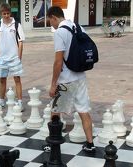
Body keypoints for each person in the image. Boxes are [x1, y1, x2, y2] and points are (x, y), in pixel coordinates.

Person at [46, 6, 95, 152]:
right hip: (80, 76)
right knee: (83, 110)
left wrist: (53, 84)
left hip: (66, 79)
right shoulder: (78, 27)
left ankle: (52, 143)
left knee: (55, 111)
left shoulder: (60, 32)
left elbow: (58, 62)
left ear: (54, 17)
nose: (52, 25)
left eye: (50, 22)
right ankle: (90, 144)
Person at [0, 3, 25, 110]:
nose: (6, 15)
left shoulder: (17, 25)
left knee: (17, 79)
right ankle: (1, 101)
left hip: (14, 58)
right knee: (2, 80)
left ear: (10, 13)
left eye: (8, 13)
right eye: (4, 13)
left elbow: (20, 42)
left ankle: (20, 102)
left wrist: (19, 57)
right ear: (0, 14)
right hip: (2, 59)